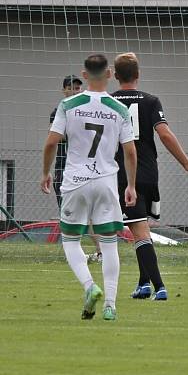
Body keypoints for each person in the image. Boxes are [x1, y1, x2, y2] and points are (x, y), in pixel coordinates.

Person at [41, 53, 137, 321]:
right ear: (109, 74)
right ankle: (110, 304)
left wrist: (46, 172)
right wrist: (130, 184)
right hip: (106, 181)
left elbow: (51, 143)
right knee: (109, 245)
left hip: (75, 181)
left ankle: (89, 286)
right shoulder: (120, 109)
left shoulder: (68, 104)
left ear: (84, 76)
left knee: (70, 239)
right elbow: (130, 151)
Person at [112, 52, 188, 301]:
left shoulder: (108, 102)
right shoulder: (150, 101)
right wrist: (186, 162)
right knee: (141, 228)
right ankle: (143, 284)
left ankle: (159, 286)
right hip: (149, 173)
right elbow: (164, 134)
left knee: (138, 231)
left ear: (116, 76)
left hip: (122, 174)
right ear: (138, 75)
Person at [50, 76, 104, 263]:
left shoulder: (87, 110)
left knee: (90, 214)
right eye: (72, 88)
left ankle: (98, 252)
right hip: (65, 168)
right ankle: (79, 253)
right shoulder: (61, 110)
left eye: (79, 88)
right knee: (69, 214)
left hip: (86, 168)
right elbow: (59, 137)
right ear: (64, 90)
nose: (76, 91)